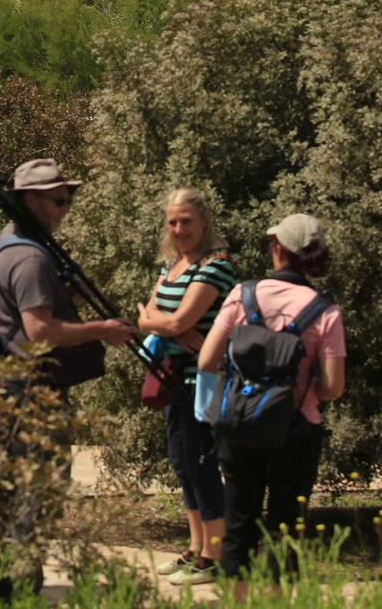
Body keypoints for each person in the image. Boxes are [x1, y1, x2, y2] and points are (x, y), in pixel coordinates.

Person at [0, 157, 135, 594]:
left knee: (11, 489)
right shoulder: (30, 258)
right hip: (32, 394)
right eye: (59, 200)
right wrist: (103, 331)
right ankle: (21, 591)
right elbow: (39, 331)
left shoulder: (9, 244)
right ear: (32, 201)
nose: (67, 208)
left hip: (13, 389)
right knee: (40, 492)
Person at [196, 213, 346, 586]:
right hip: (295, 432)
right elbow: (332, 387)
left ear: (278, 249)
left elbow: (206, 360)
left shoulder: (243, 295)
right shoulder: (325, 310)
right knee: (286, 532)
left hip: (240, 426)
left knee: (238, 527)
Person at [136, 188, 236, 586]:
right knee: (182, 461)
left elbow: (174, 320)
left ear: (204, 221)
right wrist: (161, 323)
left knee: (200, 461)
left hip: (205, 379)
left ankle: (215, 554)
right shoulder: (171, 264)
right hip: (173, 375)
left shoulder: (216, 266)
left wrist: (165, 323)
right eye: (172, 222)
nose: (179, 228)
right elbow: (146, 315)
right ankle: (196, 548)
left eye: (186, 221)